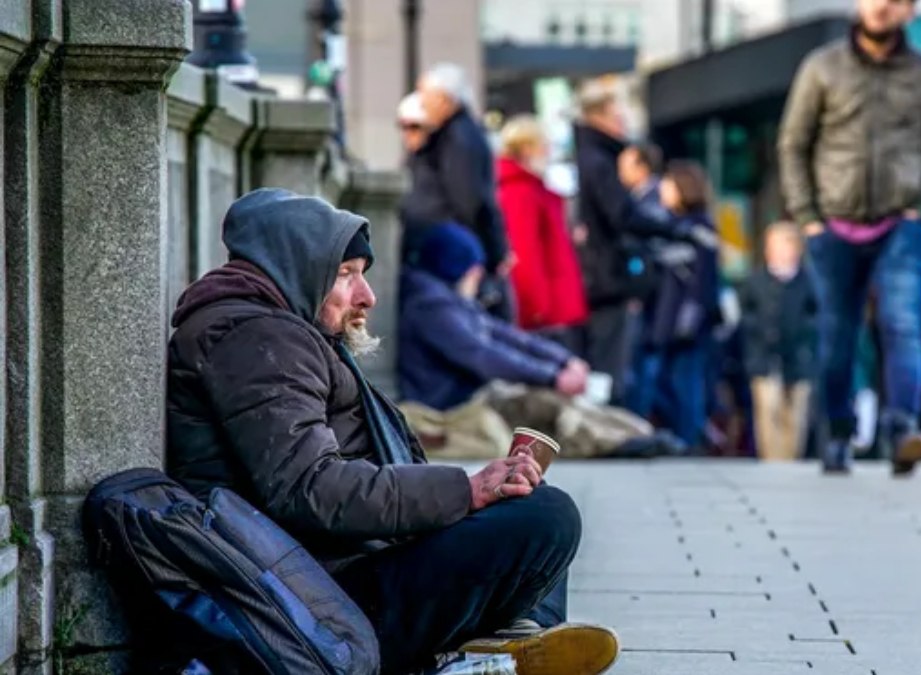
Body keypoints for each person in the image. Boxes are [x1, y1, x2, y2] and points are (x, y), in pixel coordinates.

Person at [166, 189, 618, 674]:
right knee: (545, 517)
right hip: (323, 603)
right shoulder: (256, 338)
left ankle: (506, 651)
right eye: (345, 275)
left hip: (343, 570)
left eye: (362, 273)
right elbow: (309, 489)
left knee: (527, 497)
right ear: (294, 267)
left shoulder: (277, 328)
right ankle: (488, 658)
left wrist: (474, 494)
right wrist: (465, 490)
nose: (367, 296)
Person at [777, 0, 921, 475]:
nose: (883, 6)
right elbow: (793, 143)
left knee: (902, 324)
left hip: (902, 224)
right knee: (838, 335)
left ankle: (903, 429)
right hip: (833, 226)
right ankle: (838, 435)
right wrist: (808, 216)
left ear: (910, 11)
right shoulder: (822, 67)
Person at [395, 223, 657, 460]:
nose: (478, 279)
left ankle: (636, 434)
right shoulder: (432, 307)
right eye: (474, 272)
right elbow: (483, 355)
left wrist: (563, 360)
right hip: (456, 405)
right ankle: (616, 443)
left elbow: (506, 335)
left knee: (555, 401)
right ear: (455, 267)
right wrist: (553, 376)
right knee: (548, 406)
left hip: (475, 395)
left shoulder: (446, 300)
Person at [573, 83, 706, 406]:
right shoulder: (599, 162)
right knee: (610, 363)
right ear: (601, 116)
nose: (624, 122)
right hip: (605, 276)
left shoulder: (588, 158)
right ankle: (607, 428)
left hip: (596, 274)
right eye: (619, 114)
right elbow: (622, 216)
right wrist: (676, 232)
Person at [407, 63, 514, 320]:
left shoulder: (460, 137)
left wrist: (491, 251)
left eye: (425, 96)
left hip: (457, 250)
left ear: (444, 99)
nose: (421, 103)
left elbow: (470, 200)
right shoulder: (452, 134)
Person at [638, 161, 722, 449]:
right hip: (665, 319)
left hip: (686, 322)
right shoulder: (669, 225)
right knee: (665, 380)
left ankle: (691, 438)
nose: (663, 189)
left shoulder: (699, 228)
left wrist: (691, 318)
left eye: (669, 185)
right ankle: (686, 434)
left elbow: (704, 281)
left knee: (685, 381)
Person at [495, 115, 589, 352]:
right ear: (527, 148)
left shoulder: (530, 188)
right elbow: (525, 251)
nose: (548, 152)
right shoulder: (521, 191)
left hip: (549, 307)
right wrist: (536, 307)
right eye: (543, 145)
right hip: (544, 312)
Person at [740, 221, 819, 462]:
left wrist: (804, 337)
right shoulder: (755, 281)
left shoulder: (809, 282)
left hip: (799, 359)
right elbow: (744, 315)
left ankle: (791, 459)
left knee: (796, 414)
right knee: (767, 410)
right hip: (764, 357)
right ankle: (771, 459)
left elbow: (817, 317)